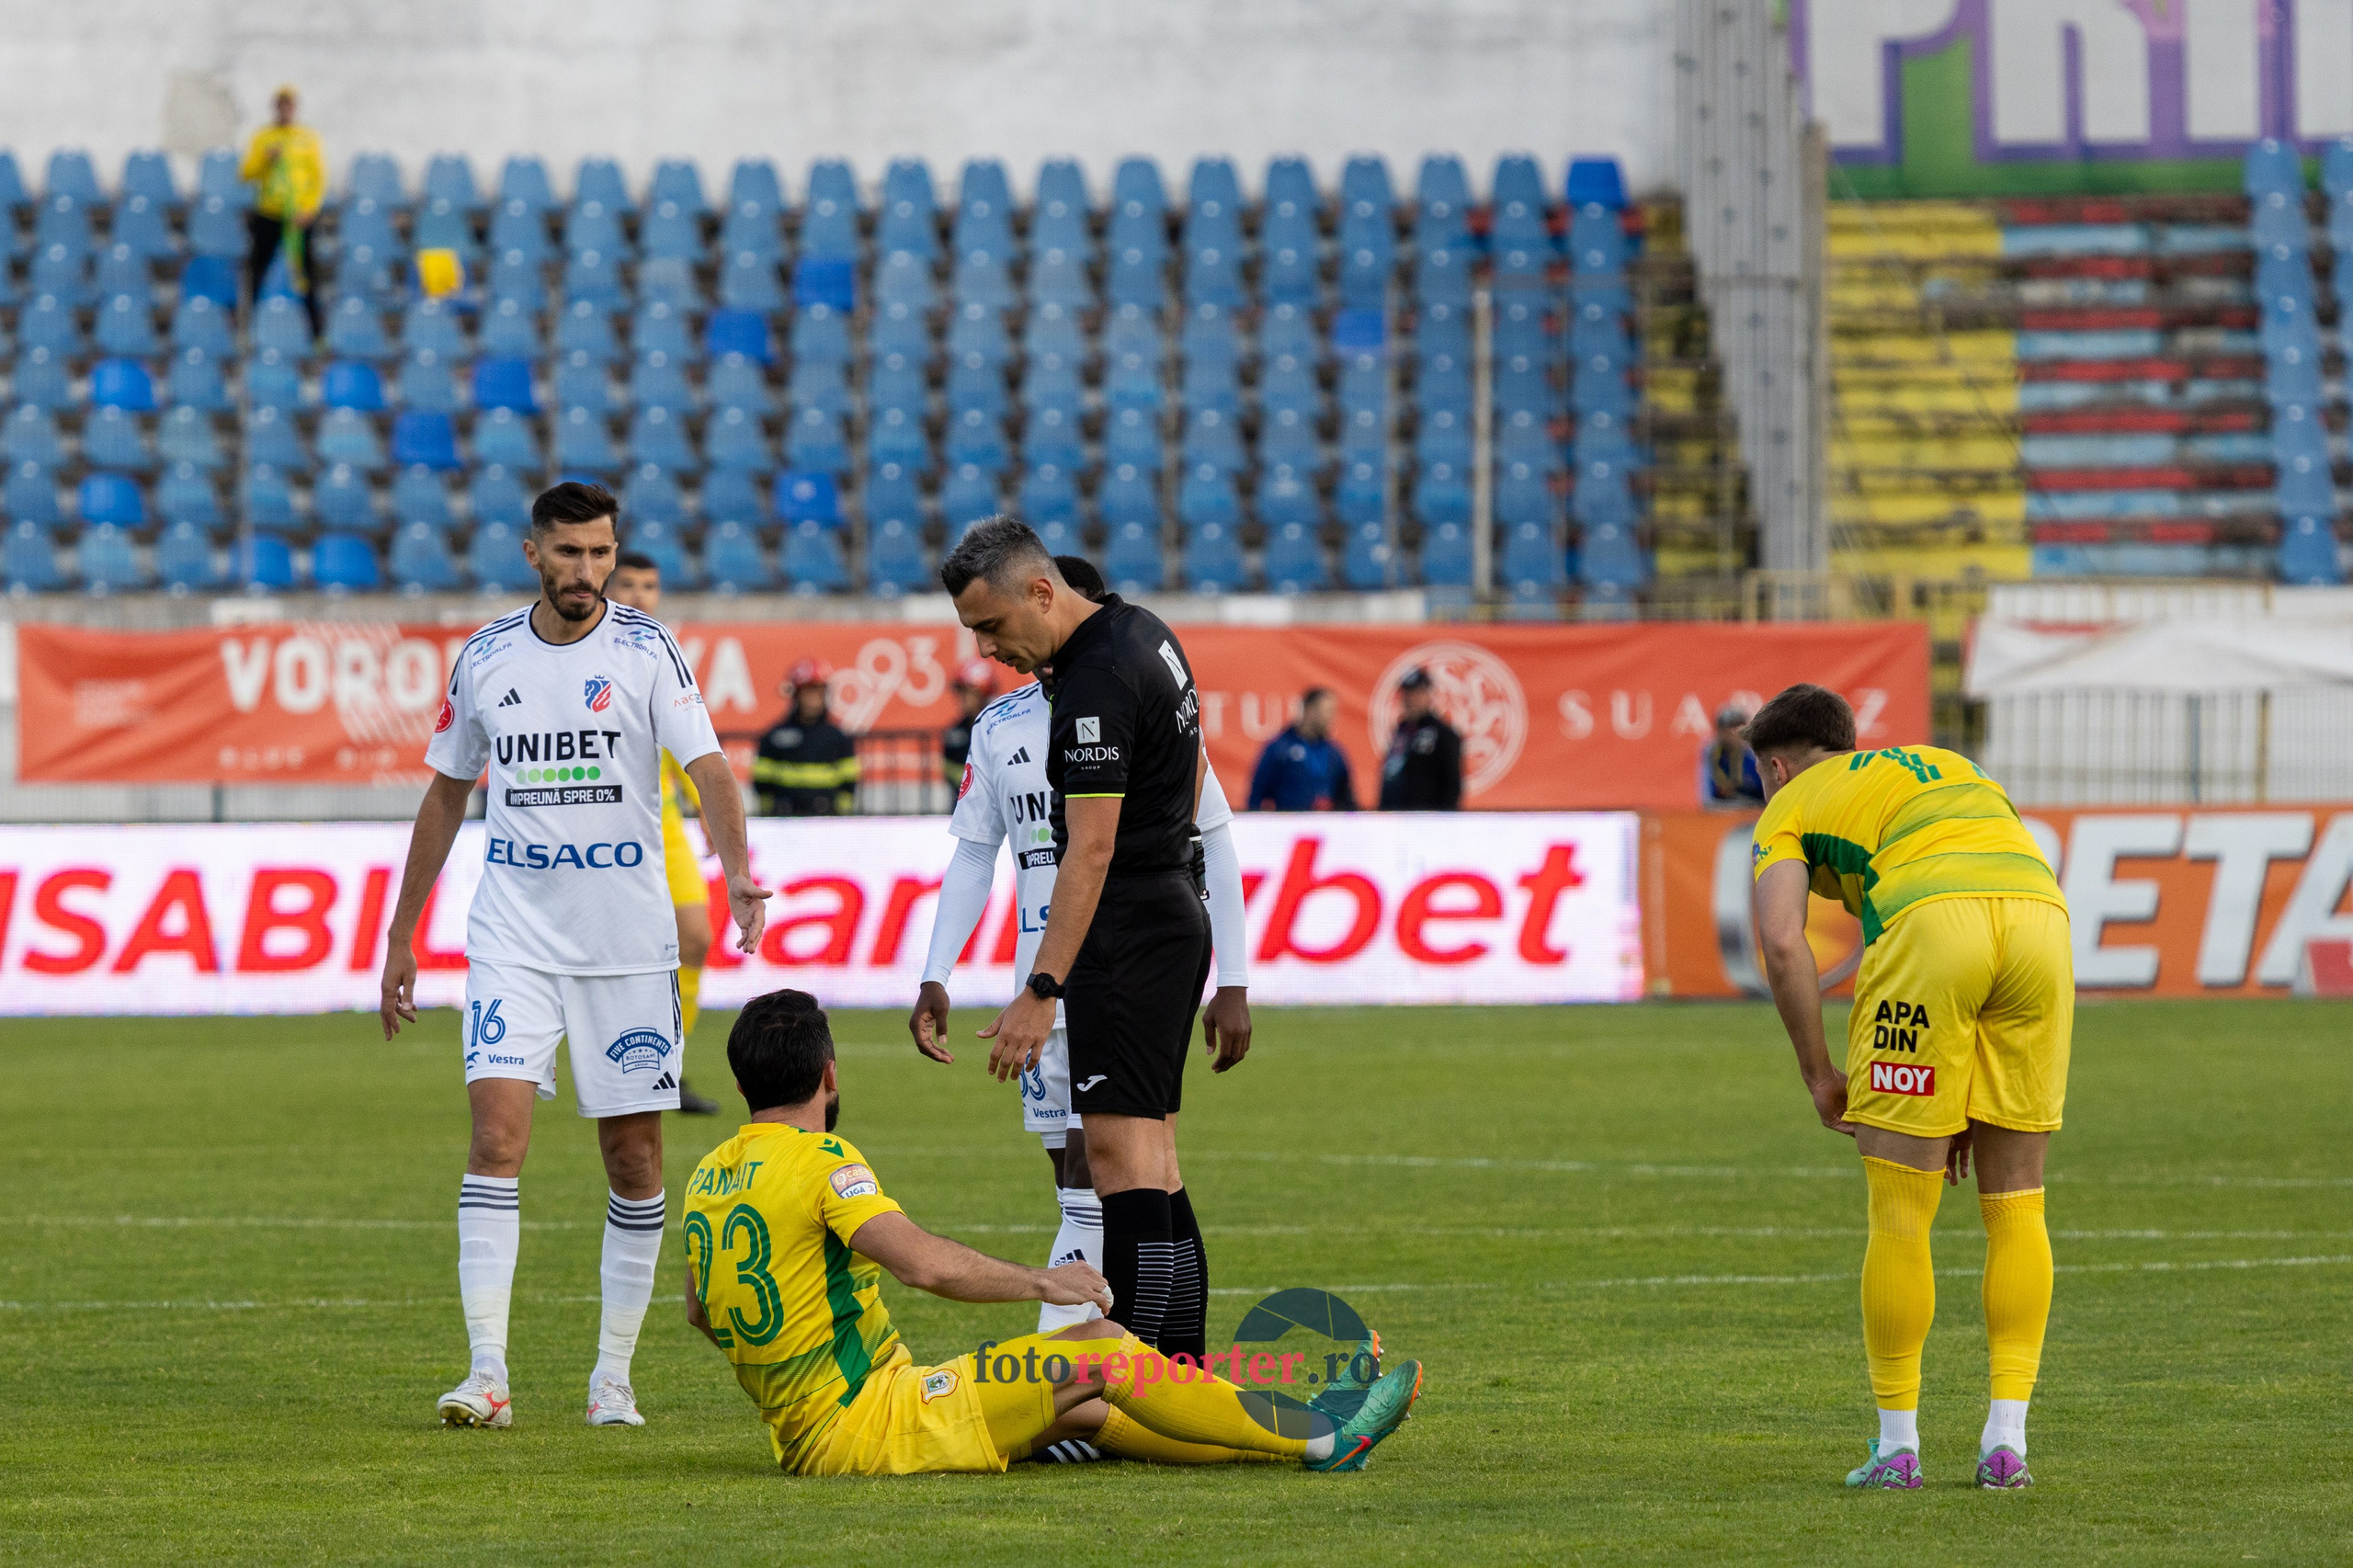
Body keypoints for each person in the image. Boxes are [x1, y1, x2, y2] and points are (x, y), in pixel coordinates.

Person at [377, 481, 771, 1431]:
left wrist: (737, 871)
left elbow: (709, 768)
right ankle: (487, 1372)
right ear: (533, 554)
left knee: (634, 1156)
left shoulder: (648, 649)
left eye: (600, 553)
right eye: (569, 553)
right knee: (495, 1140)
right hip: (513, 938)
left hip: (627, 947)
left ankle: (612, 1379)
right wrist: (401, 931)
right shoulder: (486, 658)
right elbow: (446, 793)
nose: (587, 570)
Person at [684, 989, 1423, 1476]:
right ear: (830, 1075)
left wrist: (789, 1381)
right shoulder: (823, 1160)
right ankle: (1326, 1437)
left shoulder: (708, 1176)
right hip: (868, 1423)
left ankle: (1301, 1433)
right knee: (1100, 1346)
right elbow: (923, 1267)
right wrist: (1044, 1282)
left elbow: (700, 1312)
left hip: (820, 1429)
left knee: (1088, 1410)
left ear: (743, 1086)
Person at [912, 554, 1253, 1380]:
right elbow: (977, 854)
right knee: (1146, 1169)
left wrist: (1042, 987)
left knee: (1117, 1171)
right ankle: (1181, 1376)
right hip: (1136, 933)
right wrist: (941, 970)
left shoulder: (1097, 686)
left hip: (1111, 943)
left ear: (1046, 597)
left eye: (991, 627)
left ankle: (1128, 1389)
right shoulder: (1143, 640)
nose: (986, 649)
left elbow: (1096, 848)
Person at [1745, 684, 2071, 1492]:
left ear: (1778, 767)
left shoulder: (1790, 803)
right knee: (2018, 1203)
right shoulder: (1945, 763)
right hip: (2041, 920)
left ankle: (1898, 1449)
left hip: (1930, 924)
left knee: (1901, 1209)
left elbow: (1782, 942)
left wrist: (1820, 1074)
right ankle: (2007, 1445)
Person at [604, 550, 722, 1115]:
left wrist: (707, 808)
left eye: (649, 586)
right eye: (628, 585)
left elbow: (684, 741)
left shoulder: (664, 655)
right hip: (599, 826)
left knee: (695, 937)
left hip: (662, 824)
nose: (639, 596)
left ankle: (668, 1068)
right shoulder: (582, 651)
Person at [238, 85, 325, 338]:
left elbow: (318, 178)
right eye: (281, 105)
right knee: (258, 270)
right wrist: (266, 159)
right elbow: (246, 173)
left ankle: (315, 332)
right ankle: (250, 327)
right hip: (269, 213)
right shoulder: (263, 137)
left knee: (306, 274)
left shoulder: (307, 138)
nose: (285, 110)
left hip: (298, 216)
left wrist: (309, 209)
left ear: (295, 107)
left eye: (289, 105)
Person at [751, 661, 858, 815]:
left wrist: (840, 815)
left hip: (826, 819)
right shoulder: (775, 735)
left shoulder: (838, 737)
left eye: (818, 693)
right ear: (796, 695)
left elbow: (849, 782)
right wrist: (770, 814)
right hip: (785, 819)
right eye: (808, 692)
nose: (814, 699)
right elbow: (762, 781)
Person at [1246, 687, 1357, 812]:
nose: (1331, 718)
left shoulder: (1335, 753)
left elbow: (1348, 799)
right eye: (1327, 711)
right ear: (1310, 710)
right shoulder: (1280, 748)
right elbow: (1257, 793)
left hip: (1325, 822)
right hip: (1288, 821)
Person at [1376, 667, 1462, 810]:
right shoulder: (1401, 732)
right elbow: (1390, 774)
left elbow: (1452, 785)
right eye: (1406, 694)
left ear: (1428, 695)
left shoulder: (1442, 734)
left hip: (1426, 818)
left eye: (1416, 693)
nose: (1410, 699)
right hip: (1394, 816)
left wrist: (1443, 817)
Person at [939, 658, 997, 795]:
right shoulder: (954, 733)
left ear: (984, 694)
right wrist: (974, 780)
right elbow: (949, 769)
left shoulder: (1000, 727)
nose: (962, 698)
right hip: (964, 801)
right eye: (960, 692)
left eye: (967, 692)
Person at [1700, 703, 1766, 808]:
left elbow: (1768, 795)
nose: (1737, 732)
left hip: (1756, 810)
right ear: (1720, 731)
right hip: (1722, 812)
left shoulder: (1753, 754)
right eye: (1732, 727)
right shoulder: (1712, 754)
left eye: (1741, 727)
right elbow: (1708, 801)